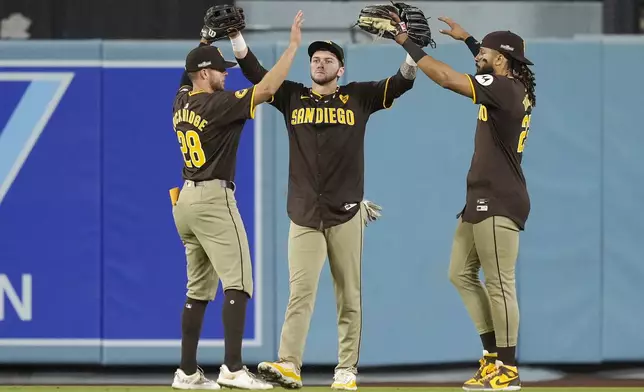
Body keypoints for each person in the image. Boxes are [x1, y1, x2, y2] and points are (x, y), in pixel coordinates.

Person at [222, 23, 417, 390]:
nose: (320, 63)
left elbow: (402, 81)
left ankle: (346, 370)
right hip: (304, 213)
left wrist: (411, 47)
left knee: (348, 294)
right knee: (301, 292)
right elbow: (255, 73)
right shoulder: (292, 96)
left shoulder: (358, 97)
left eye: (328, 59)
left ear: (341, 69)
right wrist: (235, 37)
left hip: (346, 211)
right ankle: (290, 364)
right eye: (315, 59)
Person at [392, 13, 536, 392]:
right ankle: (493, 358)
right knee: (460, 273)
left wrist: (406, 42)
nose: (478, 58)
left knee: (500, 283)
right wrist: (471, 40)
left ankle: (507, 368)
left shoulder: (503, 89)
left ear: (501, 61)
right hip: (481, 196)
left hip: (499, 196)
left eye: (484, 54)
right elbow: (491, 65)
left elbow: (443, 77)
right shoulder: (512, 84)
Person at [169, 11, 304, 390]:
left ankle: (187, 371)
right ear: (205, 75)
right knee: (239, 283)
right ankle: (232, 368)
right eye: (220, 70)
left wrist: (204, 42)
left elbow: (185, 76)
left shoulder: (181, 101)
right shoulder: (217, 105)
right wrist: (293, 48)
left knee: (197, 291)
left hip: (185, 204)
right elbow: (267, 90)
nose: (226, 74)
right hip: (213, 199)